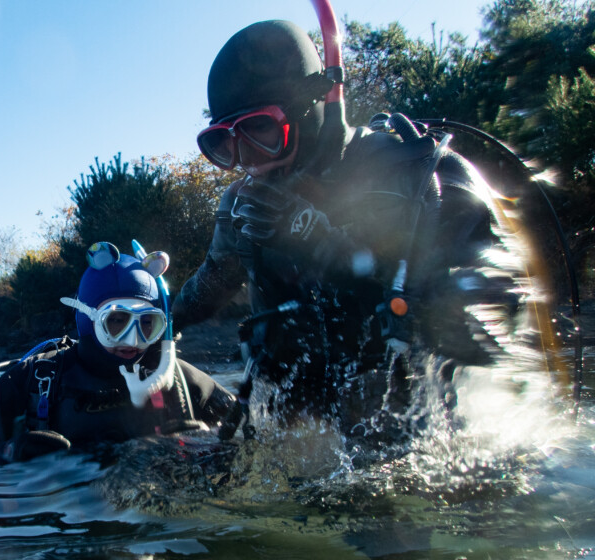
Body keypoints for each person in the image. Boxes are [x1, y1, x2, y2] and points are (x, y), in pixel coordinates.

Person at [172, 16, 525, 434]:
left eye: (260, 129)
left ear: (310, 106)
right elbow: (207, 289)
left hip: (418, 436)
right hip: (301, 442)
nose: (247, 158)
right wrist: (148, 316)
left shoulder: (415, 175)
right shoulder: (241, 207)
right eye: (225, 144)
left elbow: (488, 323)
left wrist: (322, 243)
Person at [0, 241, 238, 463]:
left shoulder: (177, 378)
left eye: (147, 324)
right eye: (115, 321)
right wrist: (10, 451)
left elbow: (247, 425)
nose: (133, 340)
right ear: (88, 319)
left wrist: (210, 443)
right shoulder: (36, 378)